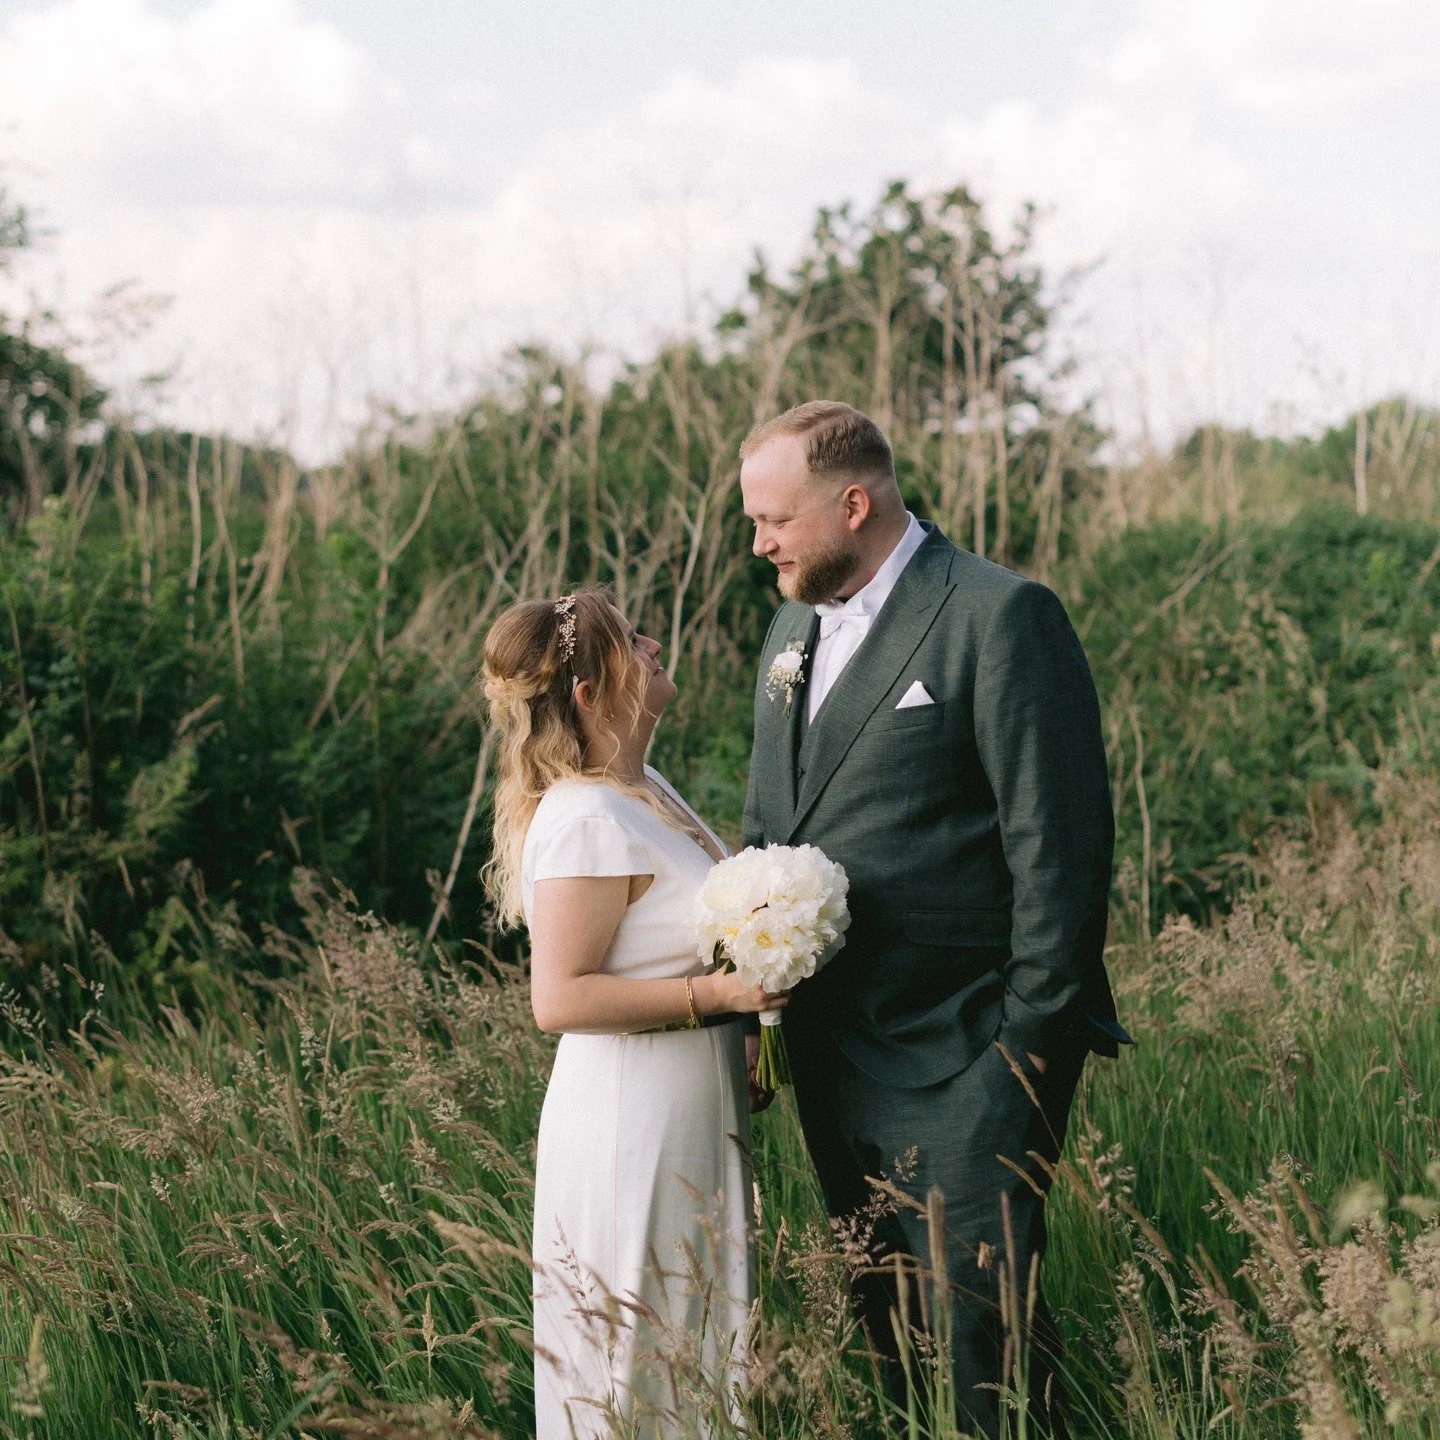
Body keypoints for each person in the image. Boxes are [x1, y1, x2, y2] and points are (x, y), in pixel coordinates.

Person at [738, 400, 1132, 1438]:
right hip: (832, 1051)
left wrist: (1028, 1049)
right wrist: (753, 1018)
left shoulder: (1000, 615)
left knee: (981, 1344)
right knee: (886, 1337)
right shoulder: (789, 630)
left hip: (970, 1053)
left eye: (775, 520)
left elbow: (1061, 848)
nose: (759, 543)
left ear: (854, 503)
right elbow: (768, 827)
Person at [481, 590, 783, 1440]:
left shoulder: (641, 786)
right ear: (590, 694)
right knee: (638, 1356)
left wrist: (751, 1024)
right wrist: (721, 998)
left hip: (688, 1100)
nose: (654, 645)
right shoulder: (585, 818)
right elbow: (561, 997)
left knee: (691, 1347)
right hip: (629, 1120)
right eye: (632, 643)